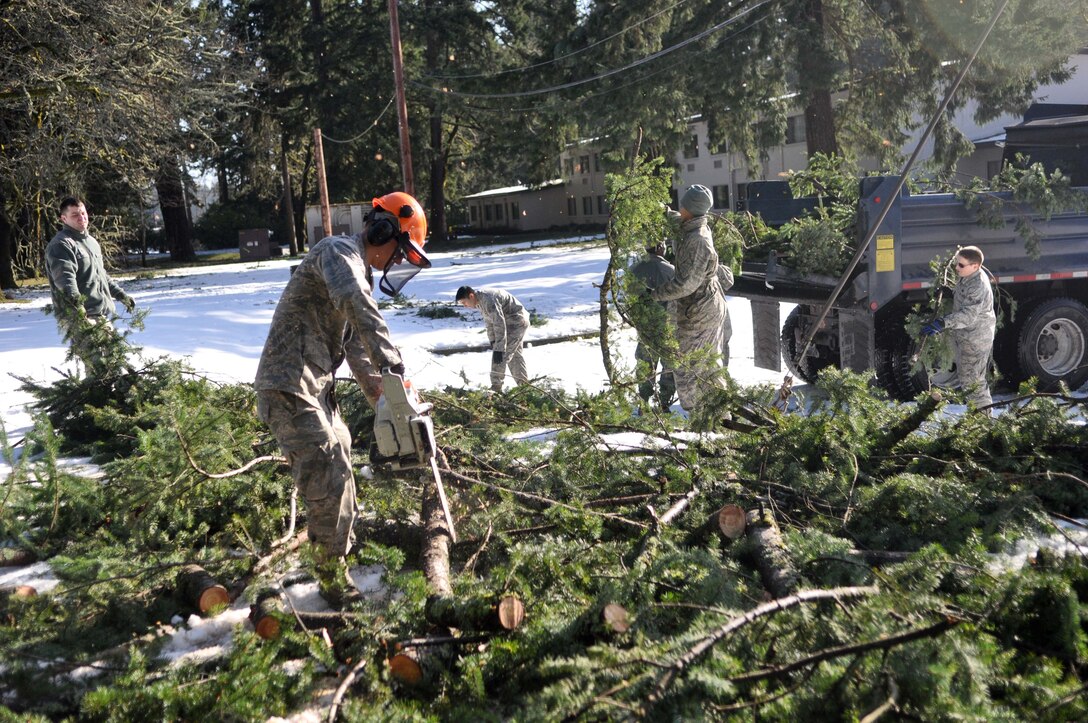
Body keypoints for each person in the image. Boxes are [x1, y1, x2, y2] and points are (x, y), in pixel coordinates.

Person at [254, 191, 431, 604]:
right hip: (289, 383)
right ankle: (332, 581)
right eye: (400, 251)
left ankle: (337, 557)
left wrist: (393, 401)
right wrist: (394, 366)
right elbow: (358, 306)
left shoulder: (356, 273)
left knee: (342, 458)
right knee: (329, 471)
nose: (398, 261)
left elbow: (355, 350)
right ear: (382, 229)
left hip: (315, 387)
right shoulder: (337, 253)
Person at [651, 184, 728, 414]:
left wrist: (656, 294)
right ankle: (711, 418)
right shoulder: (688, 224)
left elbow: (687, 284)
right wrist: (656, 208)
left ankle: (713, 420)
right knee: (696, 366)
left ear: (690, 208)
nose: (679, 207)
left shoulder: (698, 240)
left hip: (701, 312)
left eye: (683, 204)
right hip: (693, 309)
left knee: (695, 367)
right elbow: (673, 218)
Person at [44, 196, 136, 370]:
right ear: (63, 219)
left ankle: (116, 395)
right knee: (97, 368)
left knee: (114, 363)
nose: (82, 218)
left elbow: (101, 276)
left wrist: (120, 294)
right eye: (75, 215)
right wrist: (79, 311)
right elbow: (65, 282)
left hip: (100, 314)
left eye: (83, 213)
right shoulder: (61, 245)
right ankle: (95, 397)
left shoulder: (91, 242)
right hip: (80, 316)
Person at [920, 245, 996, 411]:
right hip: (966, 335)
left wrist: (942, 323)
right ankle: (979, 420)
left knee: (973, 382)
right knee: (969, 380)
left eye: (961, 265)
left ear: (975, 266)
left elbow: (968, 316)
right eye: (956, 263)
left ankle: (985, 421)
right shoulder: (968, 276)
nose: (956, 267)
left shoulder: (978, 285)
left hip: (975, 339)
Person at [628, 242, 677, 409]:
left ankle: (643, 402)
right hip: (667, 325)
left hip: (645, 326)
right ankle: (665, 403)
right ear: (660, 248)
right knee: (669, 365)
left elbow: (629, 299)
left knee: (645, 363)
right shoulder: (670, 270)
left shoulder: (634, 269)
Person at [455, 286, 530, 392]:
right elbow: (489, 322)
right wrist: (492, 340)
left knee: (501, 356)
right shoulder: (480, 301)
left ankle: (496, 388)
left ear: (471, 296)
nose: (465, 306)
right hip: (511, 322)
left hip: (516, 322)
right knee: (515, 356)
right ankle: (525, 389)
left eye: (464, 303)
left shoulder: (488, 300)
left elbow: (499, 323)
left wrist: (499, 347)